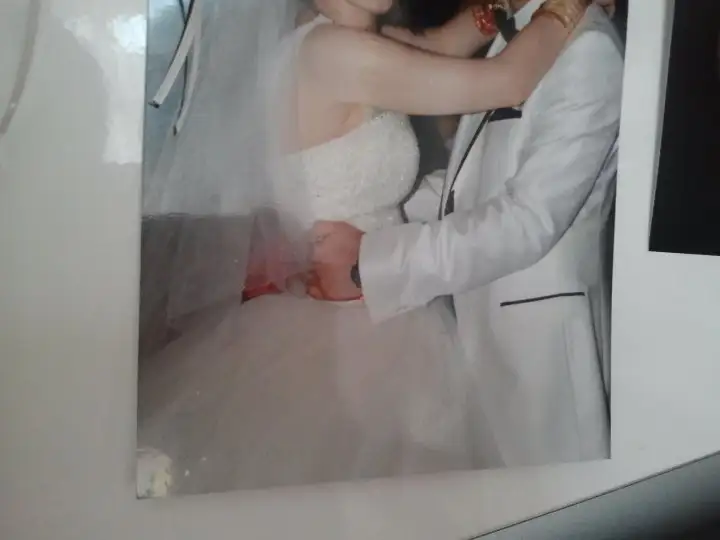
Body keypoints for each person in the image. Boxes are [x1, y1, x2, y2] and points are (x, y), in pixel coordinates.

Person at [137, 0, 605, 496]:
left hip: (351, 305)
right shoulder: (336, 54)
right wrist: (568, 5)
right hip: (356, 324)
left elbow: (436, 46)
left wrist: (498, 7)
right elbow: (507, 81)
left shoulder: (329, 38)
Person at [312, 0, 624, 468]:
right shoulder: (520, 35)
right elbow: (470, 187)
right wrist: (377, 218)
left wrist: (371, 262)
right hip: (471, 334)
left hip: (536, 352)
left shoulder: (588, 47)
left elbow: (527, 220)